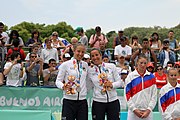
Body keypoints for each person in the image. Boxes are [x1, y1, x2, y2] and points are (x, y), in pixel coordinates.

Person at [87, 48, 123, 120]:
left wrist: (112, 85)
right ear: (91, 58)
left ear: (101, 55)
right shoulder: (89, 70)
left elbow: (120, 82)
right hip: (98, 102)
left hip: (113, 101)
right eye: (93, 56)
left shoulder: (111, 66)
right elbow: (88, 87)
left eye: (97, 55)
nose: (95, 57)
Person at [56, 43, 88, 120]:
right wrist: (63, 86)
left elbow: (87, 81)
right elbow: (58, 81)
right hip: (69, 100)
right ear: (74, 50)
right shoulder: (65, 64)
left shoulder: (85, 65)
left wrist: (85, 90)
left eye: (83, 52)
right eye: (78, 51)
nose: (80, 54)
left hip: (82, 101)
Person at [124, 55, 157, 120]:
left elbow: (154, 95)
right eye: (141, 63)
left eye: (145, 63)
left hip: (148, 112)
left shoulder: (151, 77)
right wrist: (134, 109)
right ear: (137, 63)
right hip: (133, 113)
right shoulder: (131, 76)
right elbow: (127, 94)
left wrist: (149, 109)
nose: (143, 65)